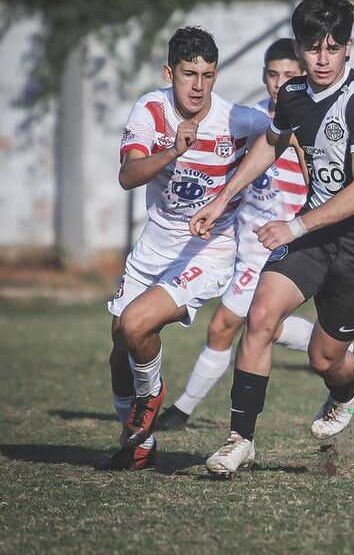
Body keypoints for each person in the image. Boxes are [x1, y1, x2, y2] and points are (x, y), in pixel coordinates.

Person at [189, 0, 354, 475]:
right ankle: (240, 439)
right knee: (260, 315)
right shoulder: (293, 95)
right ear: (300, 49)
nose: (322, 58)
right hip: (315, 232)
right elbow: (271, 141)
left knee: (325, 359)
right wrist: (222, 198)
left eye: (333, 47)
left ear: (349, 47)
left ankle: (349, 387)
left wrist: (293, 224)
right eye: (313, 47)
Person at [156, 38, 354, 432]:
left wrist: (301, 226)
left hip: (283, 241)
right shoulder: (256, 121)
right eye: (272, 75)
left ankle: (184, 411)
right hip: (244, 240)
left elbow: (324, 188)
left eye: (289, 75)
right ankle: (347, 354)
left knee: (226, 325)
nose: (279, 83)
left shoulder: (312, 124)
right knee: (264, 325)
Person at [99, 26, 270, 470]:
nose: (198, 86)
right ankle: (137, 444)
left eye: (208, 75)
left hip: (207, 252)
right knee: (121, 347)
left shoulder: (237, 120)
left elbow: (282, 136)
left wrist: (306, 191)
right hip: (153, 247)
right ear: (168, 72)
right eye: (188, 74)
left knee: (137, 324)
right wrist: (172, 152)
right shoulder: (151, 111)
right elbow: (128, 175)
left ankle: (152, 395)